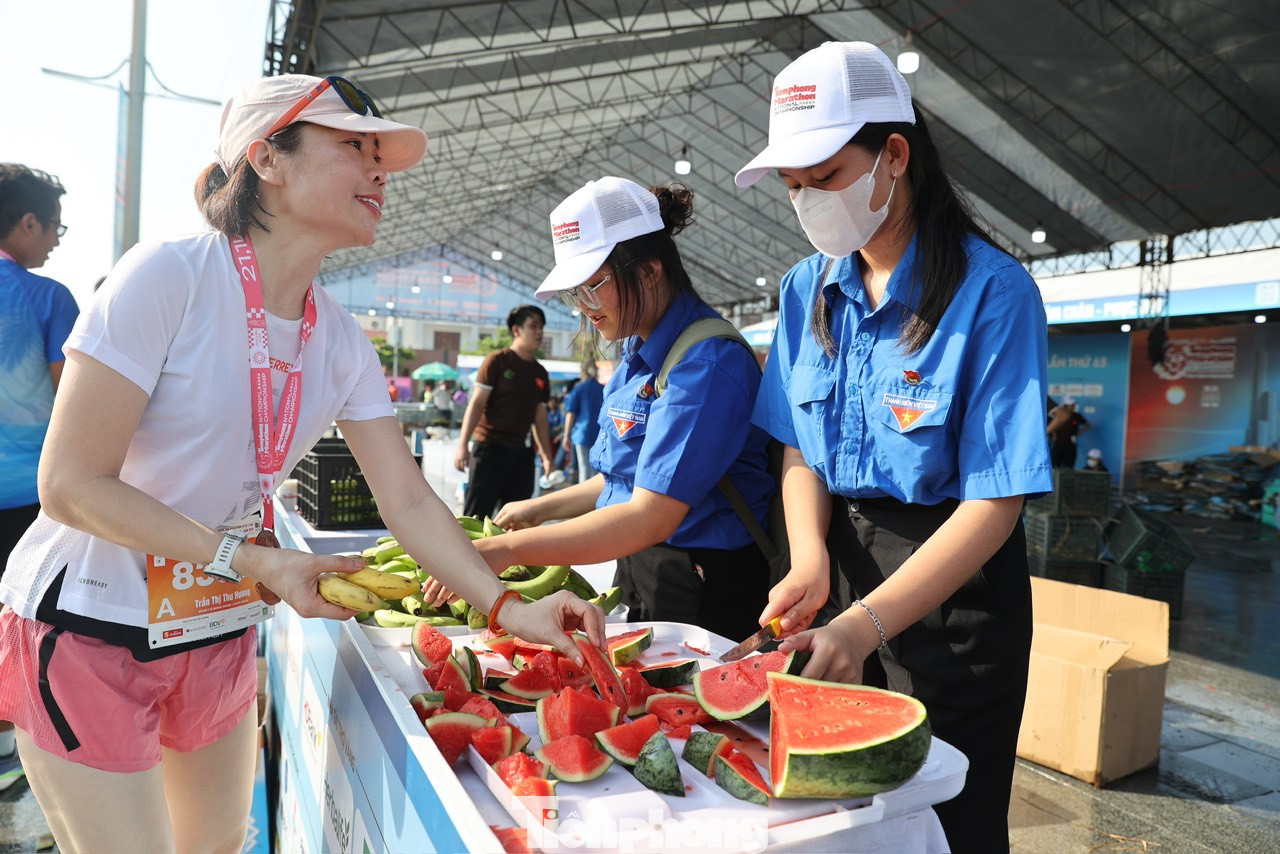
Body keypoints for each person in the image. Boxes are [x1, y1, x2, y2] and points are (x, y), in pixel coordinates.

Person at [0, 74, 603, 853]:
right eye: (354, 146)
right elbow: (70, 484)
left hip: (212, 627)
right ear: (268, 161)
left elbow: (410, 502)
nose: (380, 171)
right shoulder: (169, 276)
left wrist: (506, 608)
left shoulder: (341, 338)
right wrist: (252, 559)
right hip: (87, 626)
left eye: (381, 154)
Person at [735, 43, 1052, 853]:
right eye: (794, 186)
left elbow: (995, 500)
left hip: (954, 586)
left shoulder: (992, 292)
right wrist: (808, 559)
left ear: (895, 157)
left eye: (826, 177)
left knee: (947, 820)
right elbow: (799, 450)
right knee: (835, 819)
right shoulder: (808, 287)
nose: (808, 202)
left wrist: (868, 623)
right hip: (838, 562)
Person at [430, 178, 775, 641]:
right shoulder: (637, 351)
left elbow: (650, 514)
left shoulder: (706, 363)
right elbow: (623, 481)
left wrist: (507, 550)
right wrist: (536, 508)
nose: (584, 309)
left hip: (704, 583)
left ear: (651, 272)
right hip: (643, 565)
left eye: (593, 287)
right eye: (576, 294)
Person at [0, 163, 79, 794]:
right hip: (31, 496)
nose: (54, 241)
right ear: (27, 223)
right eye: (54, 227)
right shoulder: (48, 297)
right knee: (30, 633)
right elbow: (77, 405)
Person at [453, 305, 556, 520]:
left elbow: (540, 419)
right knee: (476, 518)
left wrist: (547, 457)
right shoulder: (497, 361)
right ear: (516, 330)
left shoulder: (540, 373)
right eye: (533, 326)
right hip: (489, 450)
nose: (539, 332)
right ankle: (470, 554)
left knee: (516, 521)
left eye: (542, 327)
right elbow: (476, 404)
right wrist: (463, 446)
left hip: (522, 454)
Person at [561, 360, 605, 483]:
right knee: (597, 471)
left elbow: (571, 413)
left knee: (584, 469)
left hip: (582, 434)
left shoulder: (579, 389)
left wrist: (566, 435)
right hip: (599, 434)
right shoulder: (603, 389)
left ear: (583, 372)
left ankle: (585, 501)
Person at [1048, 395, 1090, 468]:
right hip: (1058, 444)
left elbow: (1088, 425)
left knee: (1069, 466)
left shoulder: (1076, 416)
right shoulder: (1056, 414)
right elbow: (1052, 425)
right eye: (1071, 405)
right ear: (1065, 405)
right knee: (1054, 465)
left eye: (1074, 405)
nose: (1073, 407)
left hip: (1070, 445)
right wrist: (1053, 434)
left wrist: (1077, 433)